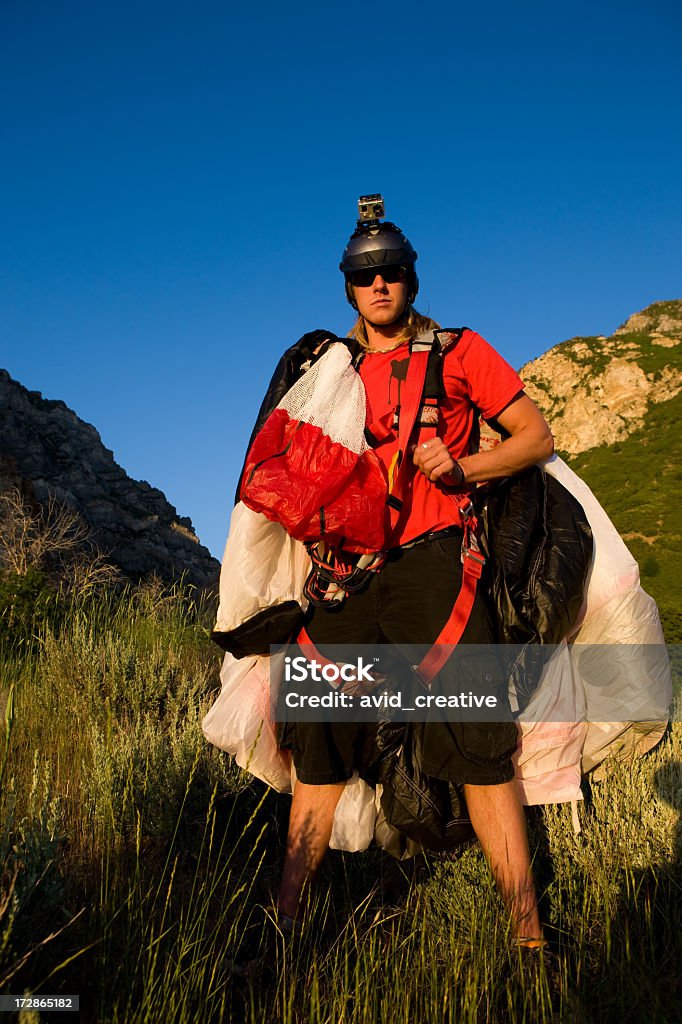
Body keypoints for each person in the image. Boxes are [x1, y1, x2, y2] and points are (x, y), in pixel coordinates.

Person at [271, 197, 555, 954]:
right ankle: (283, 932)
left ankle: (529, 939)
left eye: (393, 272)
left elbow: (534, 436)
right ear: (349, 289)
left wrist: (466, 465)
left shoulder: (461, 352)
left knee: (479, 740)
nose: (381, 286)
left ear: (412, 280)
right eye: (366, 276)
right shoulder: (324, 369)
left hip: (436, 565)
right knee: (320, 741)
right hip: (345, 575)